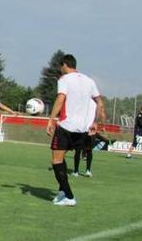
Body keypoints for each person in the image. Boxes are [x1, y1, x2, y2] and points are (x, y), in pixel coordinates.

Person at [46, 54, 105, 206]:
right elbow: (100, 103)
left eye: (61, 66)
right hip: (82, 129)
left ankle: (69, 196)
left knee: (56, 160)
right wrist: (95, 122)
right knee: (62, 157)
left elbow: (60, 99)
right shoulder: (89, 81)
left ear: (65, 65)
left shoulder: (64, 80)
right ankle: (61, 191)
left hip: (66, 126)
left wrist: (51, 119)